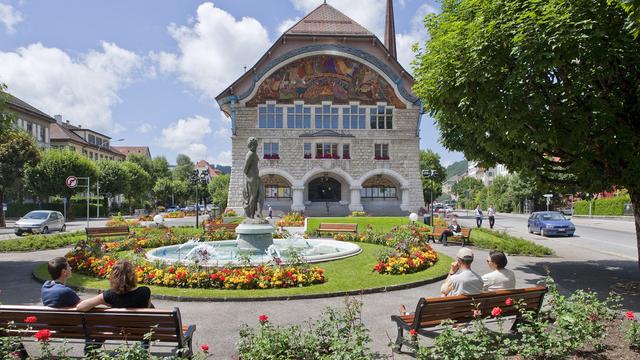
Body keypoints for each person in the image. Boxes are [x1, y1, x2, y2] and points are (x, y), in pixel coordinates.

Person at [76, 260, 152, 352]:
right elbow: (147, 310)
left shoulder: (109, 295)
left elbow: (80, 307)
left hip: (118, 329)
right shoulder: (145, 291)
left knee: (99, 325)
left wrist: (104, 301)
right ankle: (144, 345)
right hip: (141, 329)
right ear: (132, 276)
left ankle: (91, 349)